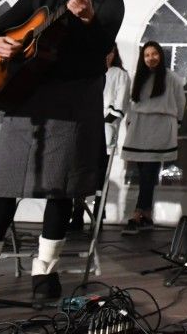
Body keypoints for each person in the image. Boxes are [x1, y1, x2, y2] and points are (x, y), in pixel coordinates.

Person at [0, 0, 124, 301]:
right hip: (26, 99)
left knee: (60, 188)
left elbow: (101, 44)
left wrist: (85, 20)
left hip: (73, 99)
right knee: (3, 184)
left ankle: (44, 274)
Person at [121, 41, 185, 234]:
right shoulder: (138, 78)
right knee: (144, 175)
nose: (151, 58)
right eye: (147, 55)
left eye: (154, 54)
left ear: (160, 55)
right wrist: (131, 123)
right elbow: (130, 104)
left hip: (160, 129)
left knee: (148, 173)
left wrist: (177, 124)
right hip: (140, 128)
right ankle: (147, 217)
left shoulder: (171, 78)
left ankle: (137, 214)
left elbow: (180, 102)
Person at [70, 44, 130, 233]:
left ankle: (97, 216)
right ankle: (77, 215)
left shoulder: (119, 74)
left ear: (114, 53)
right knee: (78, 174)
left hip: (103, 130)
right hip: (83, 131)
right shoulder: (88, 74)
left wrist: (99, 120)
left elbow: (120, 105)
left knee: (98, 177)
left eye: (109, 52)